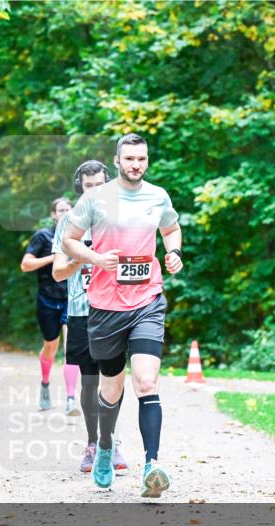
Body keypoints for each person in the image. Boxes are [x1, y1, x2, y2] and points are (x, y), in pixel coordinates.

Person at [60, 133, 183, 498]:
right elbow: (69, 239)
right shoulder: (95, 198)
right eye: (129, 159)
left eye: (141, 159)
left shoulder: (158, 196)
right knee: (110, 388)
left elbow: (171, 228)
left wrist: (173, 252)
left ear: (147, 160)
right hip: (105, 305)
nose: (136, 165)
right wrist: (95, 258)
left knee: (146, 381)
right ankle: (104, 447)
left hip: (147, 299)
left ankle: (152, 465)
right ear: (117, 161)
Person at [52, 160, 130, 476]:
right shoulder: (69, 222)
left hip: (113, 308)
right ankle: (93, 442)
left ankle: (110, 440)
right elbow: (58, 272)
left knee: (112, 378)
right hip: (81, 311)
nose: (95, 191)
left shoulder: (121, 218)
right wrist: (83, 258)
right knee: (89, 381)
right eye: (89, 186)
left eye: (100, 185)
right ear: (80, 188)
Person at [21, 199, 76, 414]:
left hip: (71, 299)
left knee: (70, 348)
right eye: (60, 210)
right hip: (47, 300)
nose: (64, 213)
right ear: (54, 215)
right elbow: (25, 265)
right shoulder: (43, 236)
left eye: (68, 209)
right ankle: (45, 383)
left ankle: (71, 398)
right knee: (51, 347)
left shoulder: (78, 237)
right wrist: (53, 258)